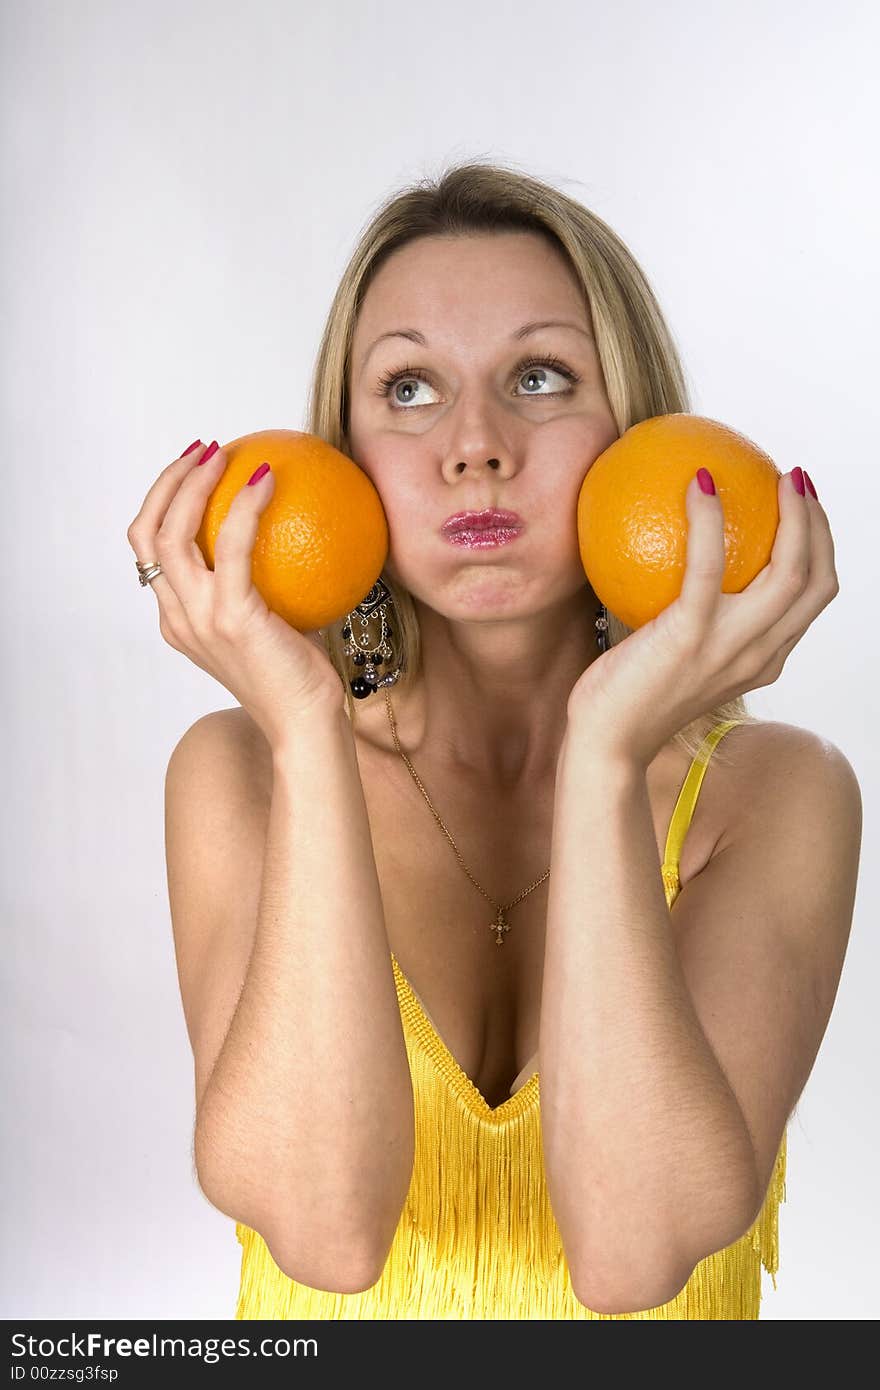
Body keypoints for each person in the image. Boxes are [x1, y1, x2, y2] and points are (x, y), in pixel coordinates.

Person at [127, 161, 861, 1319]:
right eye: (410, 389)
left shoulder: (778, 797)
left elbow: (633, 1253)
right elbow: (325, 1234)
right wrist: (314, 727)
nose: (474, 444)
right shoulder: (241, 774)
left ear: (640, 432)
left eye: (539, 376)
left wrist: (606, 753)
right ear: (344, 451)